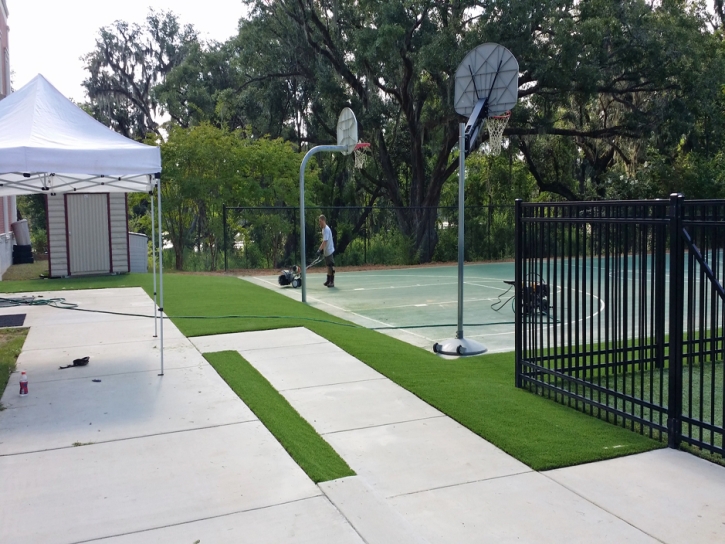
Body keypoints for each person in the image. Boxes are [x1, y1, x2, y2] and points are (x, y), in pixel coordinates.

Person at [317, 215, 335, 288]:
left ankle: (332, 281)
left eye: (320, 222)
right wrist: (322, 249)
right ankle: (328, 280)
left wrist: (319, 249)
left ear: (323, 220)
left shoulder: (327, 229)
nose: (319, 223)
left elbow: (325, 241)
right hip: (326, 251)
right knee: (328, 266)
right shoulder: (323, 229)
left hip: (329, 250)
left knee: (331, 266)